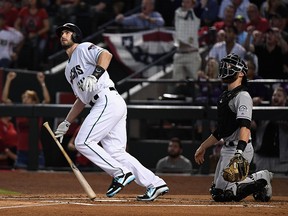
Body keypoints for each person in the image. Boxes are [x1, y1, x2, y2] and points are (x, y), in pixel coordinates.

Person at [54, 22, 169, 201]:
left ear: (75, 35)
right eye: (61, 33)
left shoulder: (83, 48)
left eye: (68, 32)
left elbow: (106, 55)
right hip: (105, 103)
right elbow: (81, 100)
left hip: (106, 99)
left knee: (83, 141)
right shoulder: (68, 70)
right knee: (116, 152)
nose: (63, 35)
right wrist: (67, 122)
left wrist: (95, 75)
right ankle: (155, 183)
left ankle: (119, 173)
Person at [194, 53, 273, 202]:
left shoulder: (243, 95)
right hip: (227, 148)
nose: (226, 68)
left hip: (240, 147)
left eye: (231, 66)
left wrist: (239, 153)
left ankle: (262, 177)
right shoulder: (225, 96)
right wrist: (203, 146)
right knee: (217, 193)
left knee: (227, 194)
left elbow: (245, 126)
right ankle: (251, 182)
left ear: (242, 73)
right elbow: (221, 131)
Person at [2, 71, 50, 169]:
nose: (24, 99)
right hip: (22, 150)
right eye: (23, 97)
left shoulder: (37, 110)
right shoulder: (20, 110)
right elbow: (4, 99)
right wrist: (8, 80)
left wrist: (42, 82)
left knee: (39, 178)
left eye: (27, 98)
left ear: (33, 100)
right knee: (21, 178)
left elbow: (47, 100)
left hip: (36, 150)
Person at [252, 87, 288, 174]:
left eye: (279, 95)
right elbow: (252, 126)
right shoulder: (264, 111)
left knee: (281, 185)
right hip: (262, 158)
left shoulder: (286, 113)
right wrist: (251, 105)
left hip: (281, 160)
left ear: (285, 99)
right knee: (259, 185)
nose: (275, 97)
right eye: (274, 95)